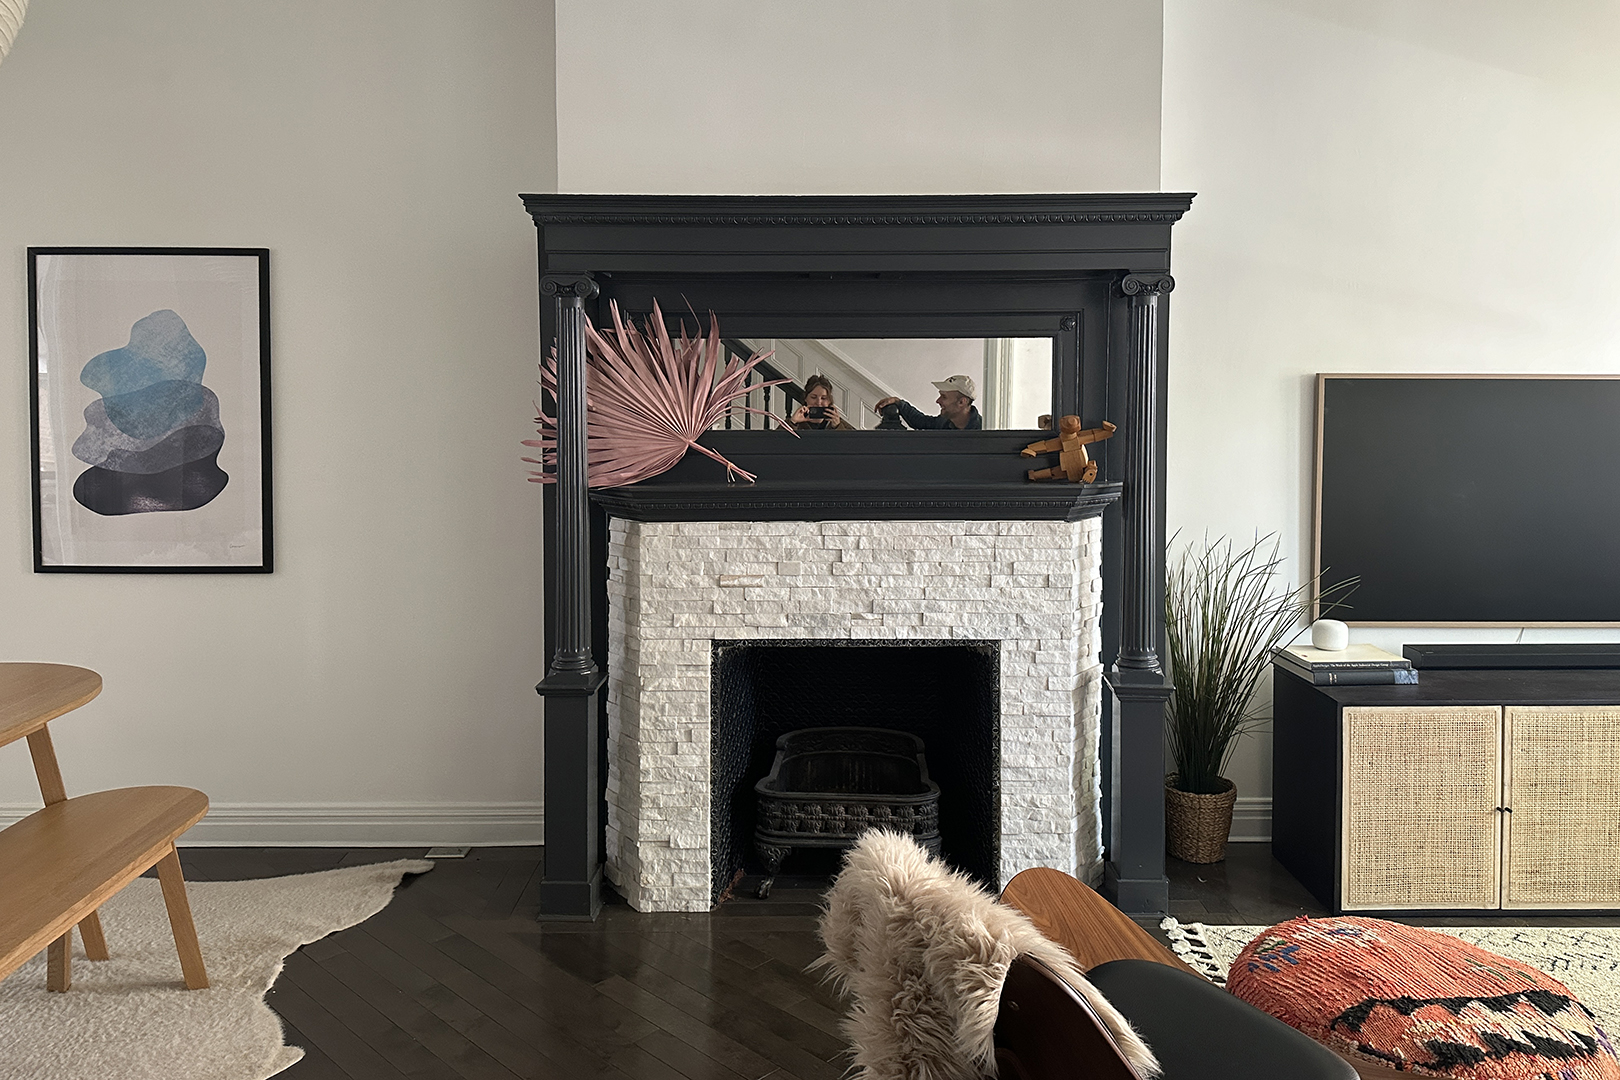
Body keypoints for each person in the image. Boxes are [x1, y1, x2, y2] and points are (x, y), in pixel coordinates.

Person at [874, 374, 983, 430]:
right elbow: (921, 421)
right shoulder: (944, 423)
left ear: (962, 402)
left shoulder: (985, 429)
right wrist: (898, 403)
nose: (938, 401)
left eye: (943, 397)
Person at [790, 373, 855, 430]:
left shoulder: (841, 425)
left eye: (823, 398)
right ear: (806, 398)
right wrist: (792, 423)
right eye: (813, 397)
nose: (818, 402)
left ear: (829, 400)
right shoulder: (796, 421)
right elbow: (780, 441)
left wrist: (837, 427)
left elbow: (851, 443)